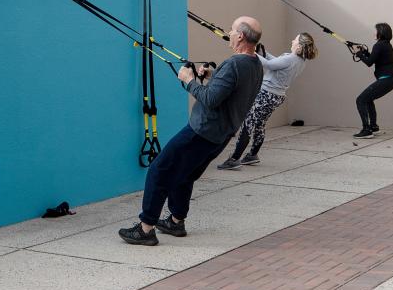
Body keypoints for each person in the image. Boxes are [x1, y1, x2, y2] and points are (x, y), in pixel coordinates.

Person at [118, 16, 264, 246]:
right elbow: (229, 91)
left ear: (241, 36)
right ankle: (176, 221)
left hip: (201, 131)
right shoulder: (256, 64)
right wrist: (211, 76)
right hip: (220, 136)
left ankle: (146, 228)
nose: (228, 31)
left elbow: (210, 98)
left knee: (159, 170)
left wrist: (188, 80)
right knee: (185, 174)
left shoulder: (234, 64)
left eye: (232, 28)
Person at [217, 32, 318, 169]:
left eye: (295, 39)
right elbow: (276, 63)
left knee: (248, 123)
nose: (292, 40)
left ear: (299, 46)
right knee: (259, 124)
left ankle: (234, 159)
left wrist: (250, 50)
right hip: (276, 96)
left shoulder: (291, 58)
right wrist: (263, 52)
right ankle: (252, 155)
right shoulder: (299, 61)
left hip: (266, 94)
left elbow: (269, 65)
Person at [352, 23, 393, 139]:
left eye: (376, 31)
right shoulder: (386, 44)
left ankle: (366, 130)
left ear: (381, 33)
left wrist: (359, 54)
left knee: (360, 99)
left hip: (386, 79)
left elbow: (369, 63)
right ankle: (373, 127)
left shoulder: (378, 45)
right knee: (368, 99)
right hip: (392, 79)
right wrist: (364, 52)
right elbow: (374, 58)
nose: (374, 33)